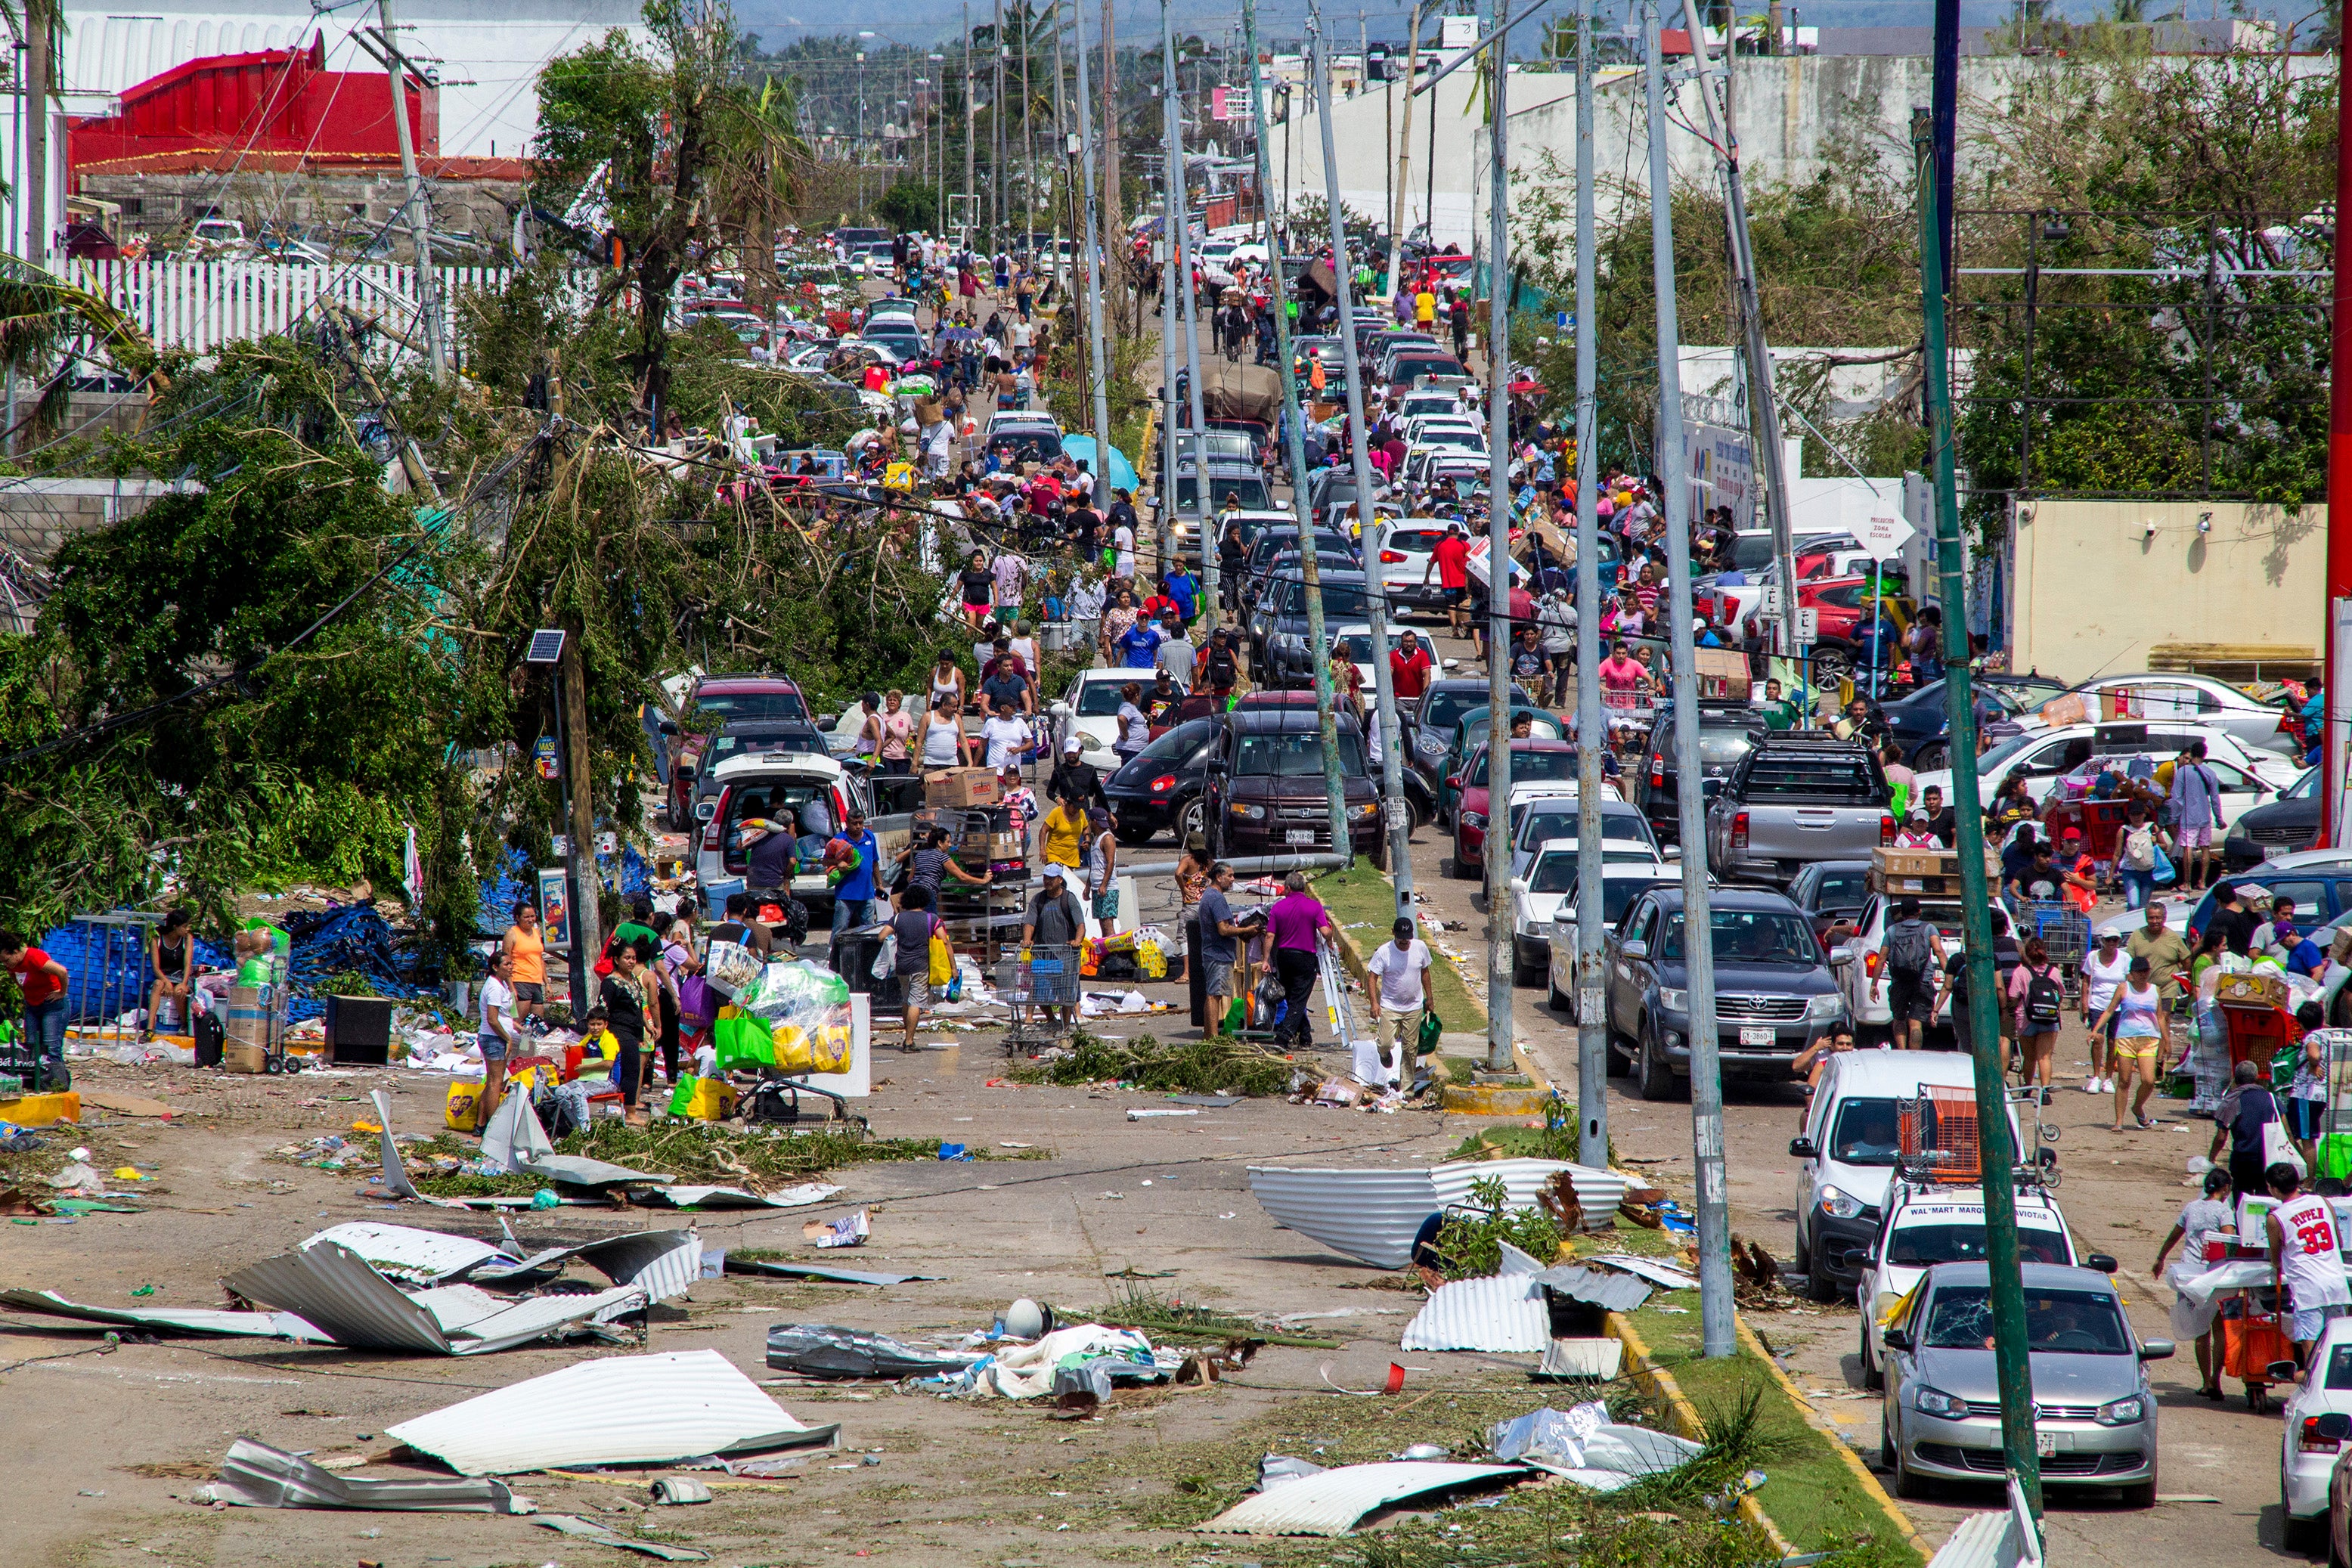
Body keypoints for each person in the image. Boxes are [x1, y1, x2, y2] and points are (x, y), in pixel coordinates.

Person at [2154, 1167, 2237, 1399]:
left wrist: (2160, 1258)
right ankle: (2215, 1381)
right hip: (2214, 1275)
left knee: (2201, 1331)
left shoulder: (2191, 1207)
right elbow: (2228, 1239)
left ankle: (2205, 1382)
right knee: (2219, 1329)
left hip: (2190, 1275)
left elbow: (2174, 1234)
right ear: (2226, 1188)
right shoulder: (2224, 1211)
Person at [2268, 1161, 2352, 1369]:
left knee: (2312, 1346)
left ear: (2274, 1189)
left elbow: (2275, 1259)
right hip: (2336, 1283)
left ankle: (2312, 1388)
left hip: (2308, 1289)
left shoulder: (2276, 1217)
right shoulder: (2323, 1202)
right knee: (2339, 1347)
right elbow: (2339, 1242)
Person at [2095, 955, 2168, 1131]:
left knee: (2149, 1080)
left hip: (2149, 1039)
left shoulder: (2155, 990)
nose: (2143, 974)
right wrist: (2096, 1029)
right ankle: (2119, 1121)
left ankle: (2137, 1106)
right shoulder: (2124, 988)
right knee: (2124, 1080)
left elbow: (2160, 1017)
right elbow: (2110, 1010)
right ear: (2132, 973)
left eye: (2146, 971)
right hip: (2126, 1038)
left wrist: (2167, 1039)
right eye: (2139, 971)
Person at [1266, 870, 1334, 1049]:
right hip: (1305, 958)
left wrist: (1266, 960)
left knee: (1291, 997)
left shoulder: (1278, 908)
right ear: (1303, 888)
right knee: (1298, 999)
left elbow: (1270, 936)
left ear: (1288, 888)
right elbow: (1325, 932)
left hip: (1284, 957)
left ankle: (1305, 1036)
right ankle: (1283, 1037)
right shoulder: (1314, 907)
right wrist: (1331, 940)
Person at [1364, 916, 1433, 1085]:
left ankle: (1406, 1089)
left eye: (1407, 937)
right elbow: (1372, 977)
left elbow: (1425, 973)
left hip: (1414, 1007)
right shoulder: (1384, 952)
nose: (1404, 941)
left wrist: (1429, 998)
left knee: (1410, 1050)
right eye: (1401, 937)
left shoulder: (1420, 948)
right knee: (1385, 1042)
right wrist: (1374, 1003)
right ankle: (1384, 1054)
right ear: (1393, 933)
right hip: (1390, 1006)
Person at [1021, 865, 1086, 1025]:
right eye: (1045, 878)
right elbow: (1030, 922)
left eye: (1051, 878)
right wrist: (1027, 939)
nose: (1047, 881)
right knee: (1040, 993)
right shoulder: (1038, 899)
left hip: (1065, 955)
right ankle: (1051, 1019)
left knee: (1066, 995)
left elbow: (1081, 925)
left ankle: (1064, 1026)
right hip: (1044, 955)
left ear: (1060, 880)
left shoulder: (1068, 899)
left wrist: (1077, 940)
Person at [2212, 1058, 2283, 1199]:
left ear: (2236, 1078)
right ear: (2256, 1077)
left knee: (2242, 1202)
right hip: (2268, 1159)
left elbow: (2221, 1136)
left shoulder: (2232, 1101)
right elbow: (2286, 1130)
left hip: (2243, 1161)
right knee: (2265, 1201)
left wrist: (2212, 1158)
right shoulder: (2271, 1098)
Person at [891, 884, 948, 1053]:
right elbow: (944, 941)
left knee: (906, 999)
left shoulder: (897, 918)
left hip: (901, 965)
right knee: (916, 1002)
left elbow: (881, 936)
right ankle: (909, 1041)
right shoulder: (931, 919)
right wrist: (952, 968)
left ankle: (907, 1034)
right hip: (920, 966)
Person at [1882, 897, 1945, 1051]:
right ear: (1919, 911)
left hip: (1899, 981)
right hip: (1922, 981)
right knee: (1916, 1023)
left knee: (1899, 1019)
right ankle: (1914, 1054)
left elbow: (1881, 958)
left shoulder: (1892, 930)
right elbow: (1938, 951)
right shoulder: (1929, 928)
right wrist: (1949, 974)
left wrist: (1874, 984)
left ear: (1902, 913)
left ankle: (1902, 1052)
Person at [600, 943, 652, 1125]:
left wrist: (647, 1025)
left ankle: (628, 1110)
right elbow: (603, 1009)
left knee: (633, 1069)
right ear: (616, 960)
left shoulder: (633, 980)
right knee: (631, 1070)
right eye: (627, 958)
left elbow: (638, 1006)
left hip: (634, 1030)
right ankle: (630, 1113)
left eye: (633, 958)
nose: (631, 962)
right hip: (620, 1031)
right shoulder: (611, 983)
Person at [2010, 936, 2066, 1096]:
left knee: (2029, 1057)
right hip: (2049, 1019)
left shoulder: (2020, 972)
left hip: (2026, 1019)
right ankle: (2045, 1091)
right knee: (2045, 1057)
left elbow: (2013, 997)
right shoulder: (2053, 972)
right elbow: (2060, 995)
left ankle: (2027, 1088)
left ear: (2027, 954)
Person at [2170, 739, 2227, 890]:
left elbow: (2177, 798)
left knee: (2188, 848)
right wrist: (2219, 819)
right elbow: (2215, 798)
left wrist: (2174, 817)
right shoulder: (2210, 773)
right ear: (2204, 754)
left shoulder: (2182, 772)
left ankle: (2187, 883)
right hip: (2205, 817)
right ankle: (2202, 881)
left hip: (2188, 817)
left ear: (2191, 753)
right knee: (2205, 848)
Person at [2081, 928, 2130, 1097]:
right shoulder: (2093, 957)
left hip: (2119, 1006)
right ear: (2103, 941)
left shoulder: (2124, 958)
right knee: (2097, 1040)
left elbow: (2129, 981)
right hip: (2097, 1004)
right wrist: (2084, 1004)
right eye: (2108, 940)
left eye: (2115, 940)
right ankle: (2096, 1076)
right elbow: (2086, 981)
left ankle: (2108, 1077)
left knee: (2113, 1042)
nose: (2111, 943)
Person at [2127, 898, 2192, 1019]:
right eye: (2151, 918)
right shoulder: (2137, 936)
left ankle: (2165, 1039)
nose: (2155, 921)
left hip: (2168, 987)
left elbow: (2187, 960)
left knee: (2164, 1017)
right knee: (2146, 1019)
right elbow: (2128, 962)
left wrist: (2189, 981)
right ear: (2146, 918)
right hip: (2144, 987)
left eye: (2158, 918)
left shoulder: (2173, 937)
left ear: (2164, 918)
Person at [2289, 1009, 2335, 1163]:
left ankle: (2309, 1179)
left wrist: (2313, 1064)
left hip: (2306, 1095)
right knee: (2296, 1132)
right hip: (2321, 1094)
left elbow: (2314, 1054)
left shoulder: (2312, 1037)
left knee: (2306, 1138)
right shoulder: (2328, 1034)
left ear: (2301, 1024)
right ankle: (2306, 1166)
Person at [828, 809, 881, 935]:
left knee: (868, 931)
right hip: (845, 895)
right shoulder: (839, 840)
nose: (858, 827)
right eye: (854, 823)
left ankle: (867, 955)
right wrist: (838, 863)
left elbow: (875, 862)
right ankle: (832, 954)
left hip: (867, 894)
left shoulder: (869, 837)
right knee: (840, 930)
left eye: (860, 823)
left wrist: (879, 884)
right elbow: (825, 861)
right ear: (847, 823)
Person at [145, 909, 196, 1037]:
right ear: (175, 927)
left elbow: (187, 964)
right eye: (185, 926)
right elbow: (156, 967)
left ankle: (184, 1023)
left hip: (180, 975)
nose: (187, 929)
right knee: (157, 985)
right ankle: (150, 1028)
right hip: (163, 975)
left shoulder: (187, 939)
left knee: (179, 991)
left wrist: (184, 983)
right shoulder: (158, 938)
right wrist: (167, 982)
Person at [2115, 802, 2168, 911]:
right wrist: (2110, 875)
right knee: (2133, 903)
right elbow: (2117, 853)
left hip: (2148, 871)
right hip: (2130, 872)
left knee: (2143, 907)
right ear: (2129, 816)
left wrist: (2155, 843)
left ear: (2144, 815)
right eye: (2133, 814)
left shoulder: (2152, 828)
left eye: (2139, 814)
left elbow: (2165, 846)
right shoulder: (2124, 830)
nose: (2136, 817)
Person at [502, 900, 547, 1026]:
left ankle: (526, 1045)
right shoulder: (512, 934)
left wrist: (547, 983)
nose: (530, 920)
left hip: (536, 982)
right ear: (518, 917)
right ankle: (512, 1044)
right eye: (526, 917)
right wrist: (511, 987)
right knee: (518, 1020)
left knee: (537, 1022)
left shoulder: (536, 933)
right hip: (520, 980)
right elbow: (506, 961)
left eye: (533, 916)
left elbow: (540, 959)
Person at [1427, 523, 1473, 638]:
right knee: (1463, 605)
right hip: (1463, 582)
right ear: (1458, 533)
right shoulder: (1464, 545)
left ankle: (1455, 630)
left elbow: (1431, 562)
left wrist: (1426, 577)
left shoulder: (1440, 545)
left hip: (1448, 582)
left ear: (1447, 533)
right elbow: (1471, 564)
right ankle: (1466, 628)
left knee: (1451, 605)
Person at [1039, 792, 1090, 879]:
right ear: (1068, 803)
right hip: (1054, 856)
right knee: (1055, 883)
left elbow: (1085, 828)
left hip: (1073, 859)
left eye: (1079, 808)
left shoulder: (1081, 813)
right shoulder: (1057, 813)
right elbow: (1043, 830)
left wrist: (1087, 839)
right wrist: (1042, 849)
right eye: (1074, 807)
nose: (1076, 810)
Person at [916, 693, 970, 771]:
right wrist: (915, 762)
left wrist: (970, 762)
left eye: (956, 706)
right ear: (944, 705)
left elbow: (963, 741)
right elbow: (919, 741)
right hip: (932, 764)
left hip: (952, 764)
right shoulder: (928, 717)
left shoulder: (957, 719)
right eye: (953, 706)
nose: (956, 709)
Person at [1088, 807, 1121, 925]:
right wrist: (1088, 886)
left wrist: (1104, 885)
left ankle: (1112, 944)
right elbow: (1094, 866)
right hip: (1096, 888)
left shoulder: (1107, 838)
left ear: (1094, 822)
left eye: (1089, 821)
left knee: (1107, 924)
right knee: (1102, 923)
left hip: (1108, 888)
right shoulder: (1095, 839)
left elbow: (1110, 862)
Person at [978, 699, 1033, 770]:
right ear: (1002, 708)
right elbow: (982, 746)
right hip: (994, 770)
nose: (1015, 708)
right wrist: (973, 767)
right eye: (1011, 706)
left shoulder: (1020, 722)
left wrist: (1019, 749)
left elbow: (1031, 743)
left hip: (1013, 771)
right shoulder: (991, 723)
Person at [878, 690, 916, 775]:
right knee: (889, 784)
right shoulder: (881, 717)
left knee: (901, 784)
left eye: (895, 700)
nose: (892, 702)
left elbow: (911, 734)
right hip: (886, 757)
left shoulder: (906, 716)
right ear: (886, 703)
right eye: (890, 700)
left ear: (899, 703)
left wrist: (912, 751)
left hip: (903, 758)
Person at [1390, 628, 1434, 702]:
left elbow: (1427, 675)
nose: (1408, 644)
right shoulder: (1393, 655)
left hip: (1417, 699)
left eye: (1411, 641)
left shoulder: (1422, 655)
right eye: (1406, 641)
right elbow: (1388, 675)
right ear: (1401, 642)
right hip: (1399, 699)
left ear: (1415, 642)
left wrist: (1424, 696)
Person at [956, 550, 995, 631]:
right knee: (971, 626)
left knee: (978, 627)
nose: (978, 563)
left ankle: (976, 643)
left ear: (983, 561)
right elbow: (958, 587)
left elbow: (994, 587)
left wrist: (996, 601)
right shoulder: (966, 573)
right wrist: (949, 601)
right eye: (976, 561)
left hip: (983, 604)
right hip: (969, 603)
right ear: (972, 561)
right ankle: (967, 643)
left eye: (980, 561)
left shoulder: (988, 574)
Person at [1113, 681, 1150, 762]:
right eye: (1139, 695)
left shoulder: (1131, 707)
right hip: (1131, 749)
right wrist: (1125, 735)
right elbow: (1121, 718)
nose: (1140, 697)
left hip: (1135, 748)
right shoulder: (1128, 707)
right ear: (1136, 695)